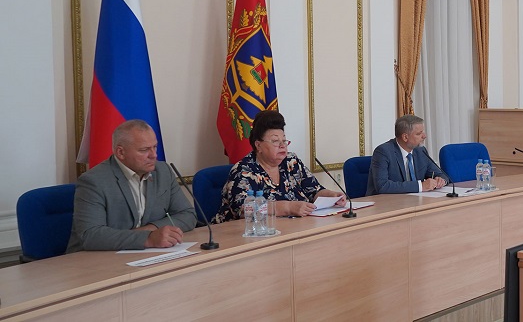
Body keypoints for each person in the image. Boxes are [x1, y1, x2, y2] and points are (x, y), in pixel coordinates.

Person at [67, 120, 196, 252]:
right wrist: (148, 238)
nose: (154, 155)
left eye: (155, 147)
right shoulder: (94, 181)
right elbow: (90, 235)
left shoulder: (163, 171)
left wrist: (151, 230)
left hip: (145, 254)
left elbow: (188, 215)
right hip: (94, 258)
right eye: (144, 150)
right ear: (121, 152)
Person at [213, 110, 346, 221]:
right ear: (258, 145)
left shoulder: (291, 162)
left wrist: (332, 196)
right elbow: (243, 210)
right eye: (275, 141)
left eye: (284, 140)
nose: (282, 145)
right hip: (245, 236)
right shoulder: (243, 171)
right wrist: (288, 208)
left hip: (291, 230)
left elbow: (314, 191)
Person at [366, 115, 449, 195]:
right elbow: (382, 186)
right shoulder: (383, 152)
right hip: (385, 202)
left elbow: (441, 174)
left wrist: (441, 180)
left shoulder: (420, 151)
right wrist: (420, 186)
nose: (424, 136)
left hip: (414, 200)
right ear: (405, 137)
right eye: (419, 133)